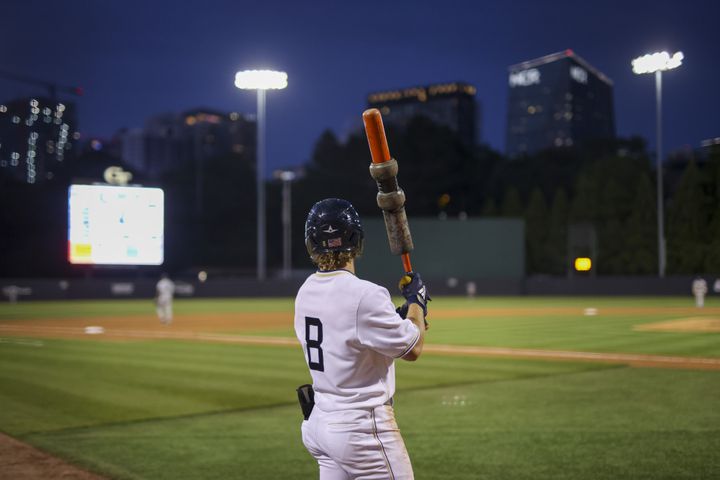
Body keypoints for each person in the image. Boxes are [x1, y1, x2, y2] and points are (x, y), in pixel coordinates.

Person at [295, 198, 429, 480]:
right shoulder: (365, 294)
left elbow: (348, 330)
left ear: (312, 243)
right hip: (361, 430)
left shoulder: (305, 291)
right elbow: (413, 348)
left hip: (320, 425)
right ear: (356, 241)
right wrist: (417, 302)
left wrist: (396, 317)